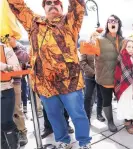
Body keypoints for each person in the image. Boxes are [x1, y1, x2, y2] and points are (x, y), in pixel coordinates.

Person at [7, 0, 92, 148]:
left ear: (61, 6)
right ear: (44, 7)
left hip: (69, 82)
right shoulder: (33, 22)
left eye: (56, 2)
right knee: (54, 116)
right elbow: (17, 5)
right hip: (44, 84)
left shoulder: (70, 21)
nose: (52, 4)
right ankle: (63, 141)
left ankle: (84, 142)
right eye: (48, 2)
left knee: (78, 115)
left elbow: (78, 5)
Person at [80, 14, 124, 132]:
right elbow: (84, 52)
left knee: (123, 99)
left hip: (120, 77)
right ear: (107, 24)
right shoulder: (99, 40)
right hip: (105, 77)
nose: (112, 23)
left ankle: (127, 118)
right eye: (110, 21)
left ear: (118, 24)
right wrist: (89, 42)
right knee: (106, 100)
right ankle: (110, 121)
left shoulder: (123, 40)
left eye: (115, 21)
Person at [80, 32, 105, 124]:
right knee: (87, 97)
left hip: (101, 76)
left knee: (100, 95)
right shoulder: (86, 47)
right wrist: (93, 72)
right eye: (94, 36)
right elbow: (82, 62)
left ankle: (99, 114)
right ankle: (87, 117)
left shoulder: (102, 48)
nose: (96, 37)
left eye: (98, 36)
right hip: (89, 76)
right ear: (90, 37)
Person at [8, 37, 29, 146]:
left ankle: (22, 132)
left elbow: (26, 58)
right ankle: (8, 134)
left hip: (14, 81)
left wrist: (14, 47)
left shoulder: (17, 44)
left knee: (16, 109)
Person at [1, 41, 21, 149]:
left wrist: (2, 66)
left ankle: (14, 144)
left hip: (5, 90)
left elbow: (17, 68)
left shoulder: (6, 50)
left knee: (5, 122)